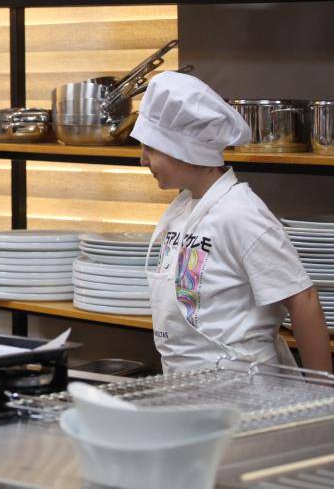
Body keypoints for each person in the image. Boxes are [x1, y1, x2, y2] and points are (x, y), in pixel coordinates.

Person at [131, 71, 331, 373]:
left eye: (150, 148)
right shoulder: (184, 208)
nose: (143, 160)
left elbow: (303, 299)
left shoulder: (240, 212)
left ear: (182, 151)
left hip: (245, 393)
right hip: (191, 392)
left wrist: (324, 397)